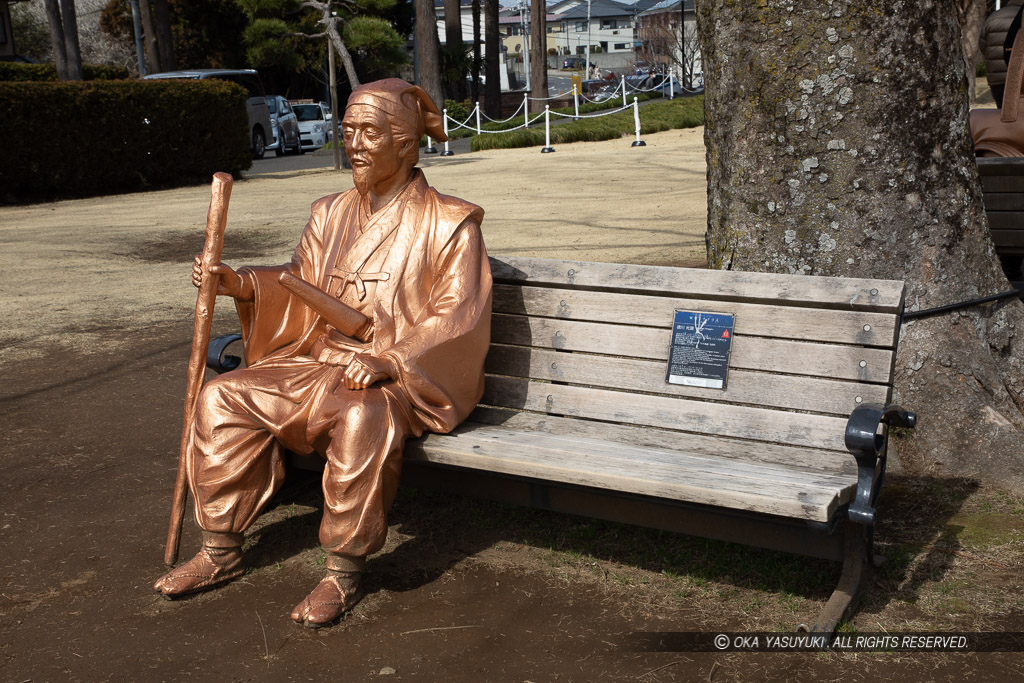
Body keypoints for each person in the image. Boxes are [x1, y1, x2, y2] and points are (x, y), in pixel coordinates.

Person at [152, 78, 493, 628]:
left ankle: (343, 570)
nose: (354, 144)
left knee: (363, 416)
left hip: (395, 377)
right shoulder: (329, 212)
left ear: (405, 144)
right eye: (348, 131)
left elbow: (458, 313)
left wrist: (391, 359)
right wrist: (238, 284)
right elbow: (301, 282)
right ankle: (219, 549)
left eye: (369, 133)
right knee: (222, 396)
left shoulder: (450, 222)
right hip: (317, 360)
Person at [981, 0, 1024, 108]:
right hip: (1020, 76)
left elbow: (982, 46)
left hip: (998, 78)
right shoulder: (1022, 16)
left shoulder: (993, 17)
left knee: (1002, 113)